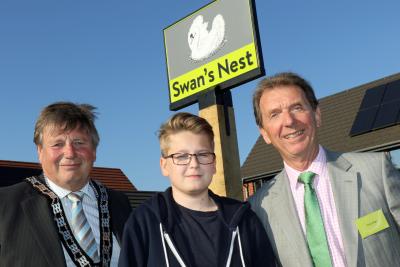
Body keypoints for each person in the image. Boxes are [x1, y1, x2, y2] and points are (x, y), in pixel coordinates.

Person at [249, 72, 400, 267]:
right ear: (265, 134)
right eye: (275, 114)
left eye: (297, 107)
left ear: (317, 115)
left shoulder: (375, 170)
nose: (288, 121)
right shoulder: (259, 208)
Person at [119, 112, 276, 267]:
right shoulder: (144, 222)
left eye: (203, 155)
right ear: (164, 166)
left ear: (214, 164)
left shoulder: (244, 220)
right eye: (181, 156)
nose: (194, 163)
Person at [0, 102, 132, 267]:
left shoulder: (119, 203)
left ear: (94, 151)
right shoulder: (5, 204)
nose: (70, 153)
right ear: (40, 152)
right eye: (57, 144)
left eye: (79, 142)